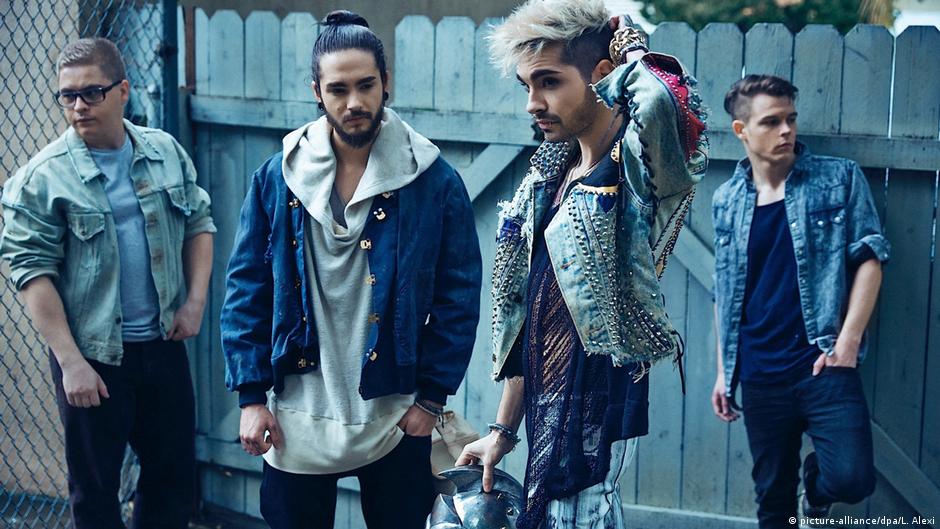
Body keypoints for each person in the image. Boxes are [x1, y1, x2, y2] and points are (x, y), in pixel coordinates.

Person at [220, 11, 482, 529]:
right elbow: (247, 288)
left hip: (395, 413)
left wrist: (431, 400)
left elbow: (459, 295)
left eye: (366, 85)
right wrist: (250, 397)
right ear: (317, 92)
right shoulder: (278, 177)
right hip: (298, 413)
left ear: (386, 82)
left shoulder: (432, 180)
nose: (354, 102)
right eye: (338, 89)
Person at [456, 1, 707, 527]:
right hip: (548, 402)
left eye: (549, 82)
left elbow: (662, 101)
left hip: (598, 402)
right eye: (526, 85)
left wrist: (629, 48)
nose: (533, 103)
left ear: (602, 76)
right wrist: (502, 431)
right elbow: (532, 318)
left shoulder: (639, 170)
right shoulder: (549, 175)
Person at [0, 38, 215, 529]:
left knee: (172, 485)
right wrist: (70, 362)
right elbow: (31, 271)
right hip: (93, 359)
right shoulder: (42, 178)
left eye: (92, 92)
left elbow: (199, 223)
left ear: (122, 91)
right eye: (68, 95)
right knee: (95, 493)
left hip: (162, 345)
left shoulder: (163, 151)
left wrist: (195, 302)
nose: (79, 106)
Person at [711, 74, 885, 528]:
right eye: (771, 121)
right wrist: (725, 372)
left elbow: (870, 259)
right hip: (760, 372)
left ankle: (817, 486)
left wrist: (847, 344)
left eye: (790, 118)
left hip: (823, 363)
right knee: (772, 500)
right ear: (741, 130)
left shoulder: (838, 178)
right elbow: (724, 291)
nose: (786, 130)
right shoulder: (726, 200)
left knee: (851, 479)